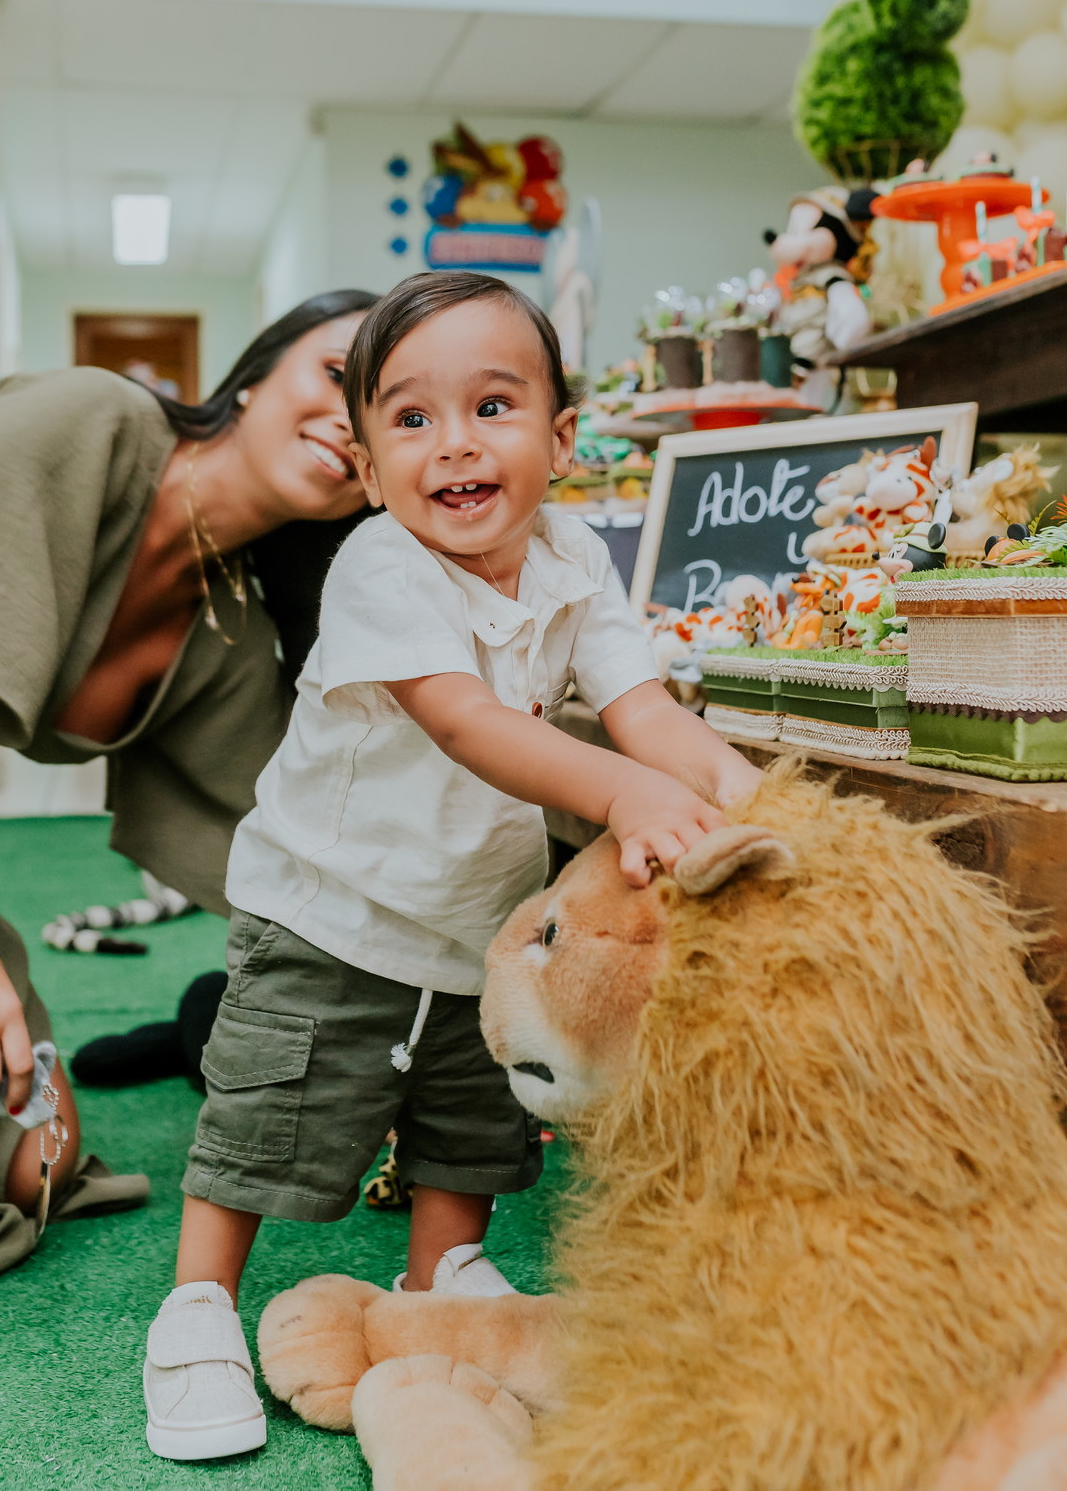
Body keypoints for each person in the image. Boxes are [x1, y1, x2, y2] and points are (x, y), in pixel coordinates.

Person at [142, 270, 760, 1463]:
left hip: (470, 913)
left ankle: (446, 1272)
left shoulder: (575, 556)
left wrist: (740, 793)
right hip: (329, 911)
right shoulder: (382, 567)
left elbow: (642, 708)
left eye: (492, 406)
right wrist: (629, 795)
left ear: (561, 438)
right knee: (271, 1113)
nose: (455, 445)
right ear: (369, 471)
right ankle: (198, 1307)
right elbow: (470, 721)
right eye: (411, 420)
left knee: (468, 1114)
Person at [0, 288, 377, 1304]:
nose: (350, 422)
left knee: (34, 1155)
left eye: (387, 414)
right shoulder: (95, 418)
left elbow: (314, 828)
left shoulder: (233, 623)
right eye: (336, 375)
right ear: (259, 369)